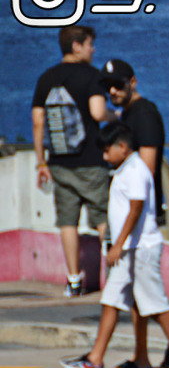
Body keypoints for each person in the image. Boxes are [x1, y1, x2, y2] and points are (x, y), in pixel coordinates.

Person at [59, 123, 169, 368]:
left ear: (122, 147)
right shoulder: (126, 169)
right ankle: (95, 359)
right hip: (129, 250)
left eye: (106, 150)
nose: (103, 156)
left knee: (155, 303)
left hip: (140, 249)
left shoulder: (135, 170)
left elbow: (135, 209)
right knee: (112, 299)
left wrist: (118, 244)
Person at [98, 58, 169, 368]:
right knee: (140, 295)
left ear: (133, 82)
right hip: (134, 222)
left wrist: (132, 227)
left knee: (148, 293)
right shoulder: (128, 114)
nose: (112, 91)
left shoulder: (145, 114)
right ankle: (142, 356)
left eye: (118, 84)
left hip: (142, 222)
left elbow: (147, 173)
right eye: (108, 86)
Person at [31, 25, 112, 297]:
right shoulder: (93, 76)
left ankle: (74, 280)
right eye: (90, 44)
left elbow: (38, 123)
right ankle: (115, 275)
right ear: (77, 46)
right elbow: (98, 113)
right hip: (90, 160)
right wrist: (116, 117)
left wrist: (42, 162)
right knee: (102, 218)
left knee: (68, 222)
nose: (93, 49)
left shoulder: (46, 78)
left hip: (59, 163)